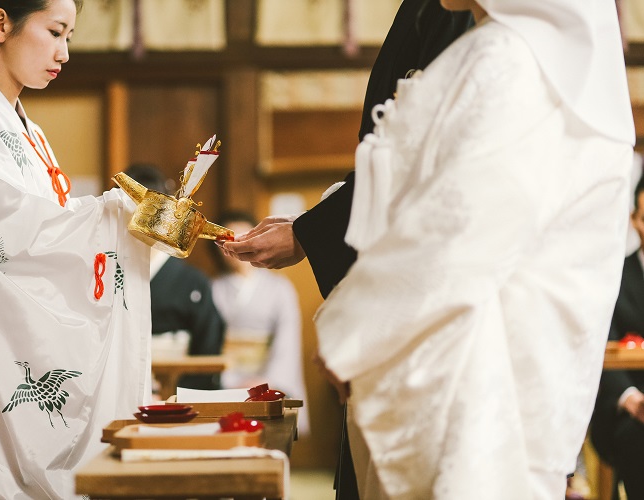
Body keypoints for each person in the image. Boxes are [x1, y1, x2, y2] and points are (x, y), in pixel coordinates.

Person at [309, 0, 634, 497]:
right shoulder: (559, 57)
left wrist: (355, 337)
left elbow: (454, 228)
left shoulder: (507, 57)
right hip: (531, 366)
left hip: (469, 370)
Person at [218, 2, 473, 497]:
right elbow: (392, 160)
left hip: (435, 287)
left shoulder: (468, 22)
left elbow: (423, 163)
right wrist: (309, 229)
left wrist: (310, 233)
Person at [0, 2, 152, 498]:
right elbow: (8, 236)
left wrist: (119, 216)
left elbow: (42, 227)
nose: (63, 52)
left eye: (69, 38)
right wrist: (112, 216)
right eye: (55, 32)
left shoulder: (24, 129)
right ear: (0, 25)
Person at [126, 164, 225, 391]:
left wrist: (179, 394)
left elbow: (207, 350)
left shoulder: (193, 282)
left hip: (175, 390)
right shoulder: (105, 271)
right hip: (122, 384)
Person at [211, 211, 309, 435]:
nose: (237, 245)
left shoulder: (279, 289)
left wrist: (269, 379)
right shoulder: (213, 288)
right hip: (228, 377)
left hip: (269, 375)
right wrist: (229, 380)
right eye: (229, 240)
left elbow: (288, 342)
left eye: (243, 237)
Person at [590, 175, 644, 499]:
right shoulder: (615, 276)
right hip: (629, 404)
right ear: (635, 219)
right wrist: (632, 398)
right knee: (635, 438)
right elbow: (600, 342)